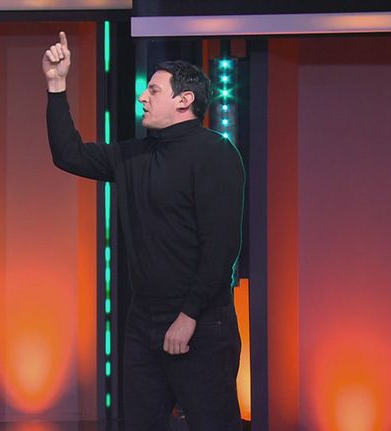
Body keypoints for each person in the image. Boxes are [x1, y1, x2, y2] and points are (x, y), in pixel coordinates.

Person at [43, 32, 244, 430]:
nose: (142, 97)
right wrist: (56, 84)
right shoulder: (133, 155)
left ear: (184, 100)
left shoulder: (215, 154)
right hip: (144, 319)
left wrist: (188, 316)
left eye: (153, 90)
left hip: (201, 321)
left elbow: (221, 248)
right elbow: (68, 154)